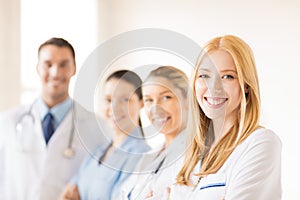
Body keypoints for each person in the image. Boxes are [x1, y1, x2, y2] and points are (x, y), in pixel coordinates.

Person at [169, 35, 282, 199]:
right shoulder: (191, 151)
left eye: (228, 76)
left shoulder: (260, 143)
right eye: (204, 76)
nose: (214, 87)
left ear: (246, 86)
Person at [0, 37, 109, 200]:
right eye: (48, 64)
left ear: (74, 68)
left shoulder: (98, 127)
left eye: (63, 64)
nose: (55, 72)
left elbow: (102, 185)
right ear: (37, 68)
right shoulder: (8, 122)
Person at [60, 70, 151, 200]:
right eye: (109, 100)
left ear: (142, 103)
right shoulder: (97, 152)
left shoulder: (142, 156)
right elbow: (70, 192)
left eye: (125, 100)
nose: (114, 108)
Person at [120, 66, 189, 200]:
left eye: (166, 97)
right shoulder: (148, 157)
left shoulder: (196, 155)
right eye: (149, 100)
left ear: (187, 99)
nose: (156, 108)